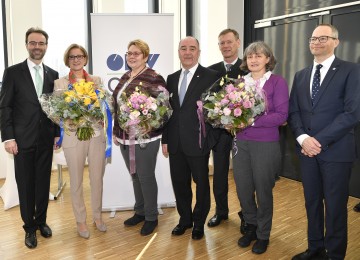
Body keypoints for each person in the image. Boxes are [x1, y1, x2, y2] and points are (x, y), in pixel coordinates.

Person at [288, 24, 360, 260]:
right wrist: (303, 138)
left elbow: (352, 113)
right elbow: (294, 112)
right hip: (306, 151)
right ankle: (315, 248)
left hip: (336, 151)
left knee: (336, 207)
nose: (316, 42)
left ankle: (335, 254)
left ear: (336, 42)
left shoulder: (351, 71)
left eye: (323, 38)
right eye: (313, 38)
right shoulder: (300, 75)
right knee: (312, 203)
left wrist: (317, 140)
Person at [0, 27, 59, 249]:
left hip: (45, 140)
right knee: (26, 186)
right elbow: (5, 107)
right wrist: (8, 138)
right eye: (33, 43)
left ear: (46, 45)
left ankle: (41, 221)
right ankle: (29, 228)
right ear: (27, 45)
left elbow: (54, 109)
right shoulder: (12, 72)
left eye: (41, 43)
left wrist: (55, 135)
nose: (37, 47)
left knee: (43, 183)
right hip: (21, 140)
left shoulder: (53, 74)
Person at [233, 41, 289, 254]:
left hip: (265, 142)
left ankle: (263, 234)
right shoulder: (239, 83)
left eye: (258, 56)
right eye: (249, 57)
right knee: (243, 188)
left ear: (267, 59)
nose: (253, 60)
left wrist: (252, 121)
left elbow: (282, 116)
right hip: (240, 142)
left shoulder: (277, 82)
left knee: (263, 190)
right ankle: (251, 227)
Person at [161, 36, 219, 240]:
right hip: (176, 142)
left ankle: (198, 223)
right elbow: (168, 112)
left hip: (199, 142)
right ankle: (184, 219)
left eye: (192, 48)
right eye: (183, 48)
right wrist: (165, 140)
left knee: (202, 184)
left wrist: (210, 139)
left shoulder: (212, 76)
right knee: (179, 183)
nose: (187, 52)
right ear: (178, 52)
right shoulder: (171, 78)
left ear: (199, 52)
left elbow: (217, 111)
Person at [112, 39, 166, 236]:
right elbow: (117, 106)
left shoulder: (154, 77)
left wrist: (146, 124)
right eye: (129, 53)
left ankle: (151, 217)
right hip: (125, 138)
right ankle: (140, 211)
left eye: (136, 53)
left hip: (145, 138)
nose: (131, 56)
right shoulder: (126, 76)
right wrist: (116, 131)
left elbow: (163, 109)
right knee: (135, 176)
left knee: (145, 176)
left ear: (146, 56)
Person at [54, 44, 107, 239]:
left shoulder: (97, 80)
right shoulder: (59, 83)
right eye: (72, 57)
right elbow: (58, 111)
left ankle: (98, 216)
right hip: (72, 135)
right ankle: (81, 220)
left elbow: (104, 107)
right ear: (67, 60)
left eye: (80, 56)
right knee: (76, 180)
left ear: (85, 59)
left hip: (95, 136)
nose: (76, 60)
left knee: (96, 179)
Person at [207, 28, 247, 232]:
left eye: (229, 42)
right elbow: (205, 102)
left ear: (238, 43)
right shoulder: (210, 71)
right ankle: (221, 212)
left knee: (243, 176)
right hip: (219, 134)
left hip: (245, 134)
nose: (225, 46)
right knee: (220, 175)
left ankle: (246, 214)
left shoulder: (249, 69)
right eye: (222, 42)